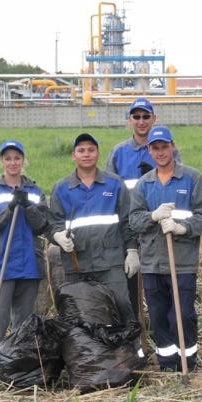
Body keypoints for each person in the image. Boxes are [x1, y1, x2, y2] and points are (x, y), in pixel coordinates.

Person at [47, 133, 144, 358]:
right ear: (73, 156)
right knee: (77, 311)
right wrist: (58, 236)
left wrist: (131, 250)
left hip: (110, 263)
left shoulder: (115, 184)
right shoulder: (61, 188)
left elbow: (127, 221)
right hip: (76, 264)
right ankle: (83, 357)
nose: (86, 154)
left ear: (98, 154)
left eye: (91, 149)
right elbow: (52, 224)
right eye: (81, 150)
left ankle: (133, 351)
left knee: (121, 304)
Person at [129, 126, 202, 372]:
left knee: (183, 315)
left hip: (182, 260)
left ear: (173, 147)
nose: (160, 152)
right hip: (153, 262)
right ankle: (167, 363)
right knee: (159, 316)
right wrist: (152, 216)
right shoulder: (144, 184)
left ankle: (188, 362)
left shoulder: (191, 178)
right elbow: (134, 220)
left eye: (165, 146)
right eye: (155, 148)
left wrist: (182, 228)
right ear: (149, 150)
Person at [0, 139, 50, 374]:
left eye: (17, 158)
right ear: (1, 161)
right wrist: (8, 209)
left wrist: (28, 207)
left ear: (23, 160)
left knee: (24, 323)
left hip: (29, 266)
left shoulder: (35, 191)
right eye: (8, 158)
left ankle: (16, 371)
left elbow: (42, 226)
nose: (12, 162)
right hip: (1, 265)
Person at [105, 99, 182, 323]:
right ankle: (135, 336)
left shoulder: (167, 149)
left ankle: (165, 335)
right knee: (129, 288)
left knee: (161, 287)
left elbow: (177, 185)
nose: (141, 121)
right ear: (129, 119)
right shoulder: (119, 153)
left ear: (153, 119)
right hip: (129, 230)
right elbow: (111, 192)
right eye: (136, 117)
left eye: (146, 116)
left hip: (158, 231)